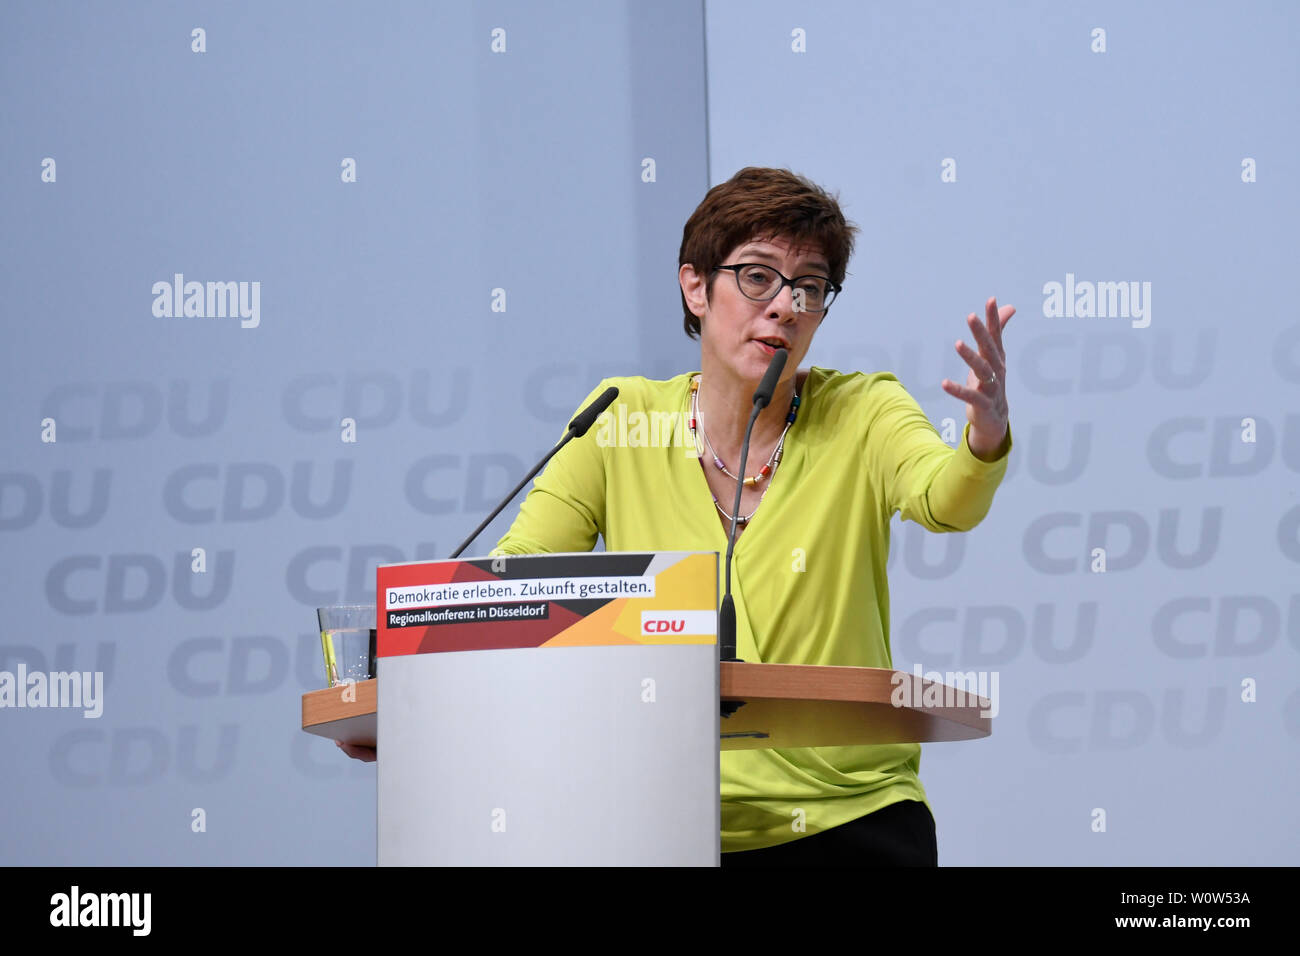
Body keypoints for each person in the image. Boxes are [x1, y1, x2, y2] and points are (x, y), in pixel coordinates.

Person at [342, 166, 1014, 866]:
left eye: (810, 286)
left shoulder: (864, 411)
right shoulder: (620, 419)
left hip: (852, 821)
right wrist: (411, 699)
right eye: (758, 277)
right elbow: (516, 584)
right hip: (664, 823)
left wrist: (984, 439)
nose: (785, 306)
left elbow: (945, 500)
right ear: (695, 285)